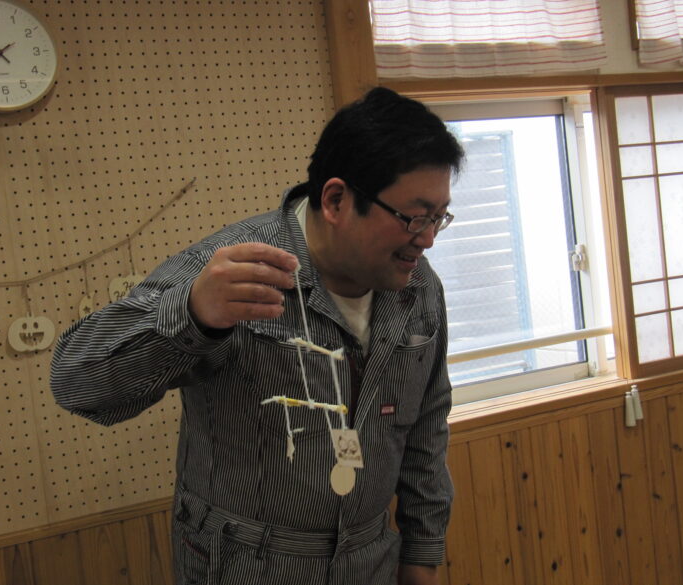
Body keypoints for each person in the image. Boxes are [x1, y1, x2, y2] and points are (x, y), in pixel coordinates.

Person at [50, 86, 464, 585]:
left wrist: (422, 552)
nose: (428, 238)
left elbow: (427, 424)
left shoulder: (417, 288)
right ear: (336, 200)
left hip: (370, 559)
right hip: (247, 565)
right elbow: (76, 382)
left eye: (439, 216)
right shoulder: (231, 273)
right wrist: (193, 314)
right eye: (414, 217)